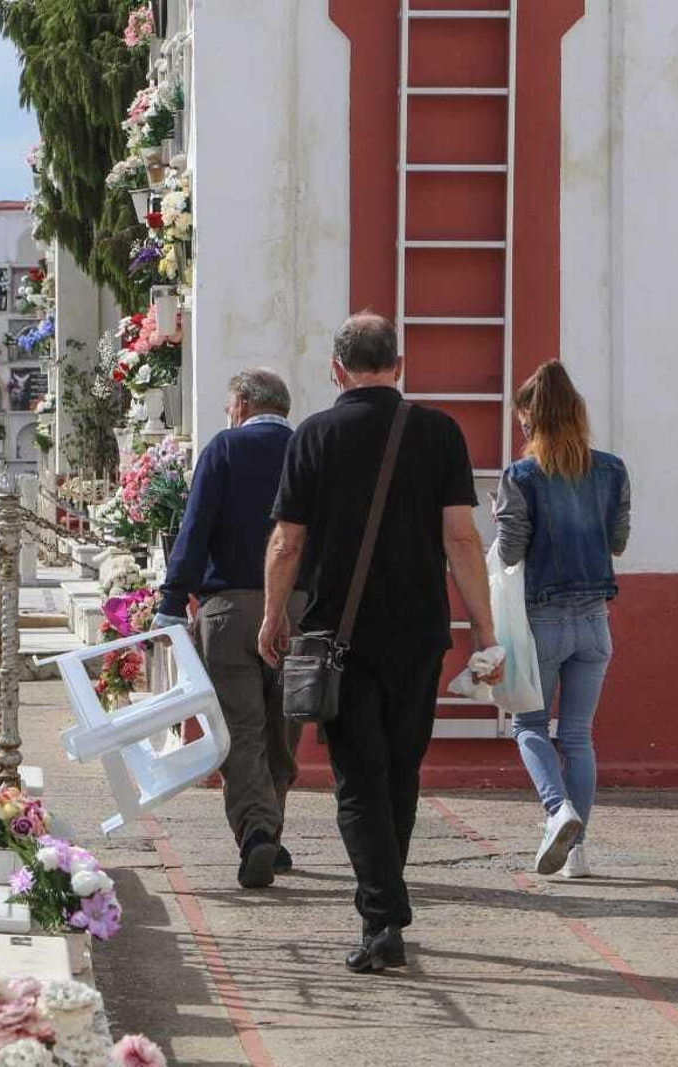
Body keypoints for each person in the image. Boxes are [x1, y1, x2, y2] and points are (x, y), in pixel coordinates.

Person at [258, 312, 502, 974]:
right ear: (399, 365)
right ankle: (385, 905)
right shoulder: (439, 433)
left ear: (336, 370)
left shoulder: (313, 436)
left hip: (338, 636)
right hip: (421, 633)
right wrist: (484, 627)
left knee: (358, 780)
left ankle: (382, 917)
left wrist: (273, 613)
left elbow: (287, 541)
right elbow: (460, 537)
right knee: (400, 770)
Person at [154, 368, 303, 889]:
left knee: (241, 730)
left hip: (230, 609)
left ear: (241, 403)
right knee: (283, 729)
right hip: (298, 610)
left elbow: (195, 528)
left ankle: (258, 832)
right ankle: (272, 830)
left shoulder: (224, 449)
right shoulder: (307, 449)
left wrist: (172, 599)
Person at [494, 360, 630, 880]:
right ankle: (577, 854)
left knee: (528, 726)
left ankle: (558, 812)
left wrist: (502, 514)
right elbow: (617, 541)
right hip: (595, 621)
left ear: (531, 415)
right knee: (578, 736)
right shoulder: (612, 469)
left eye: (522, 417)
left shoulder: (521, 475)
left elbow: (511, 551)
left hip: (542, 621)